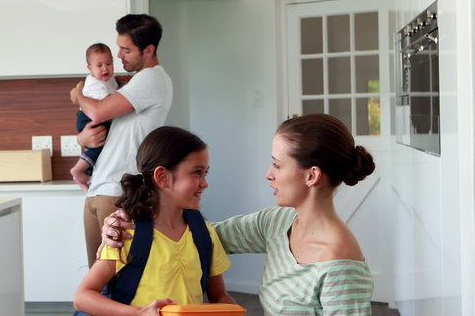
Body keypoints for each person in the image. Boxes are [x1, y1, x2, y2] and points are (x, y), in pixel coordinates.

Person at [100, 114, 376, 315]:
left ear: (311, 175)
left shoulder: (341, 268)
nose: (268, 174)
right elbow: (188, 237)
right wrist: (126, 223)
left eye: (277, 165)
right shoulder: (277, 223)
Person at [73, 126, 236, 316]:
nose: (205, 183)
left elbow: (219, 296)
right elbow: (83, 297)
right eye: (196, 173)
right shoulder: (126, 233)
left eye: (205, 173)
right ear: (162, 177)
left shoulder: (203, 232)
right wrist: (139, 313)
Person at [70, 14, 173, 267]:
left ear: (148, 50)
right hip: (99, 189)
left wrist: (77, 96)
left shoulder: (153, 78)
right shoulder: (132, 83)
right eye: (119, 47)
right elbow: (104, 130)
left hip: (118, 193)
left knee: (116, 280)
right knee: (97, 282)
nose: (118, 55)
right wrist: (81, 137)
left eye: (126, 49)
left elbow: (97, 112)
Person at [70, 43, 119, 192]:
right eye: (99, 65)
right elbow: (105, 107)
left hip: (96, 116)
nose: (105, 68)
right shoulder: (93, 84)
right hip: (88, 118)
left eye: (109, 64)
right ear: (89, 68)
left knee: (102, 146)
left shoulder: (109, 79)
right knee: (99, 144)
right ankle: (78, 170)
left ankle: (87, 179)